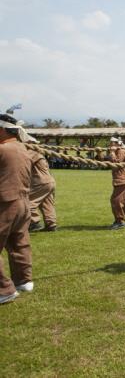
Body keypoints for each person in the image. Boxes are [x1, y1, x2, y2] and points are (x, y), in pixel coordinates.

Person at [0, 114, 34, 304]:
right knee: (19, 242)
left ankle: (4, 289)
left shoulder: (3, 149)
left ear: (3, 129)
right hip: (22, 203)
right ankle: (23, 280)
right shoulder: (22, 148)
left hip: (5, 202)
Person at [26, 140, 57, 232]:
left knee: (27, 201)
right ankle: (51, 224)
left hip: (41, 182)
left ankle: (34, 222)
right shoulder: (39, 153)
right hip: (49, 182)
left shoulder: (32, 153)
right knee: (47, 204)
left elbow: (22, 161)